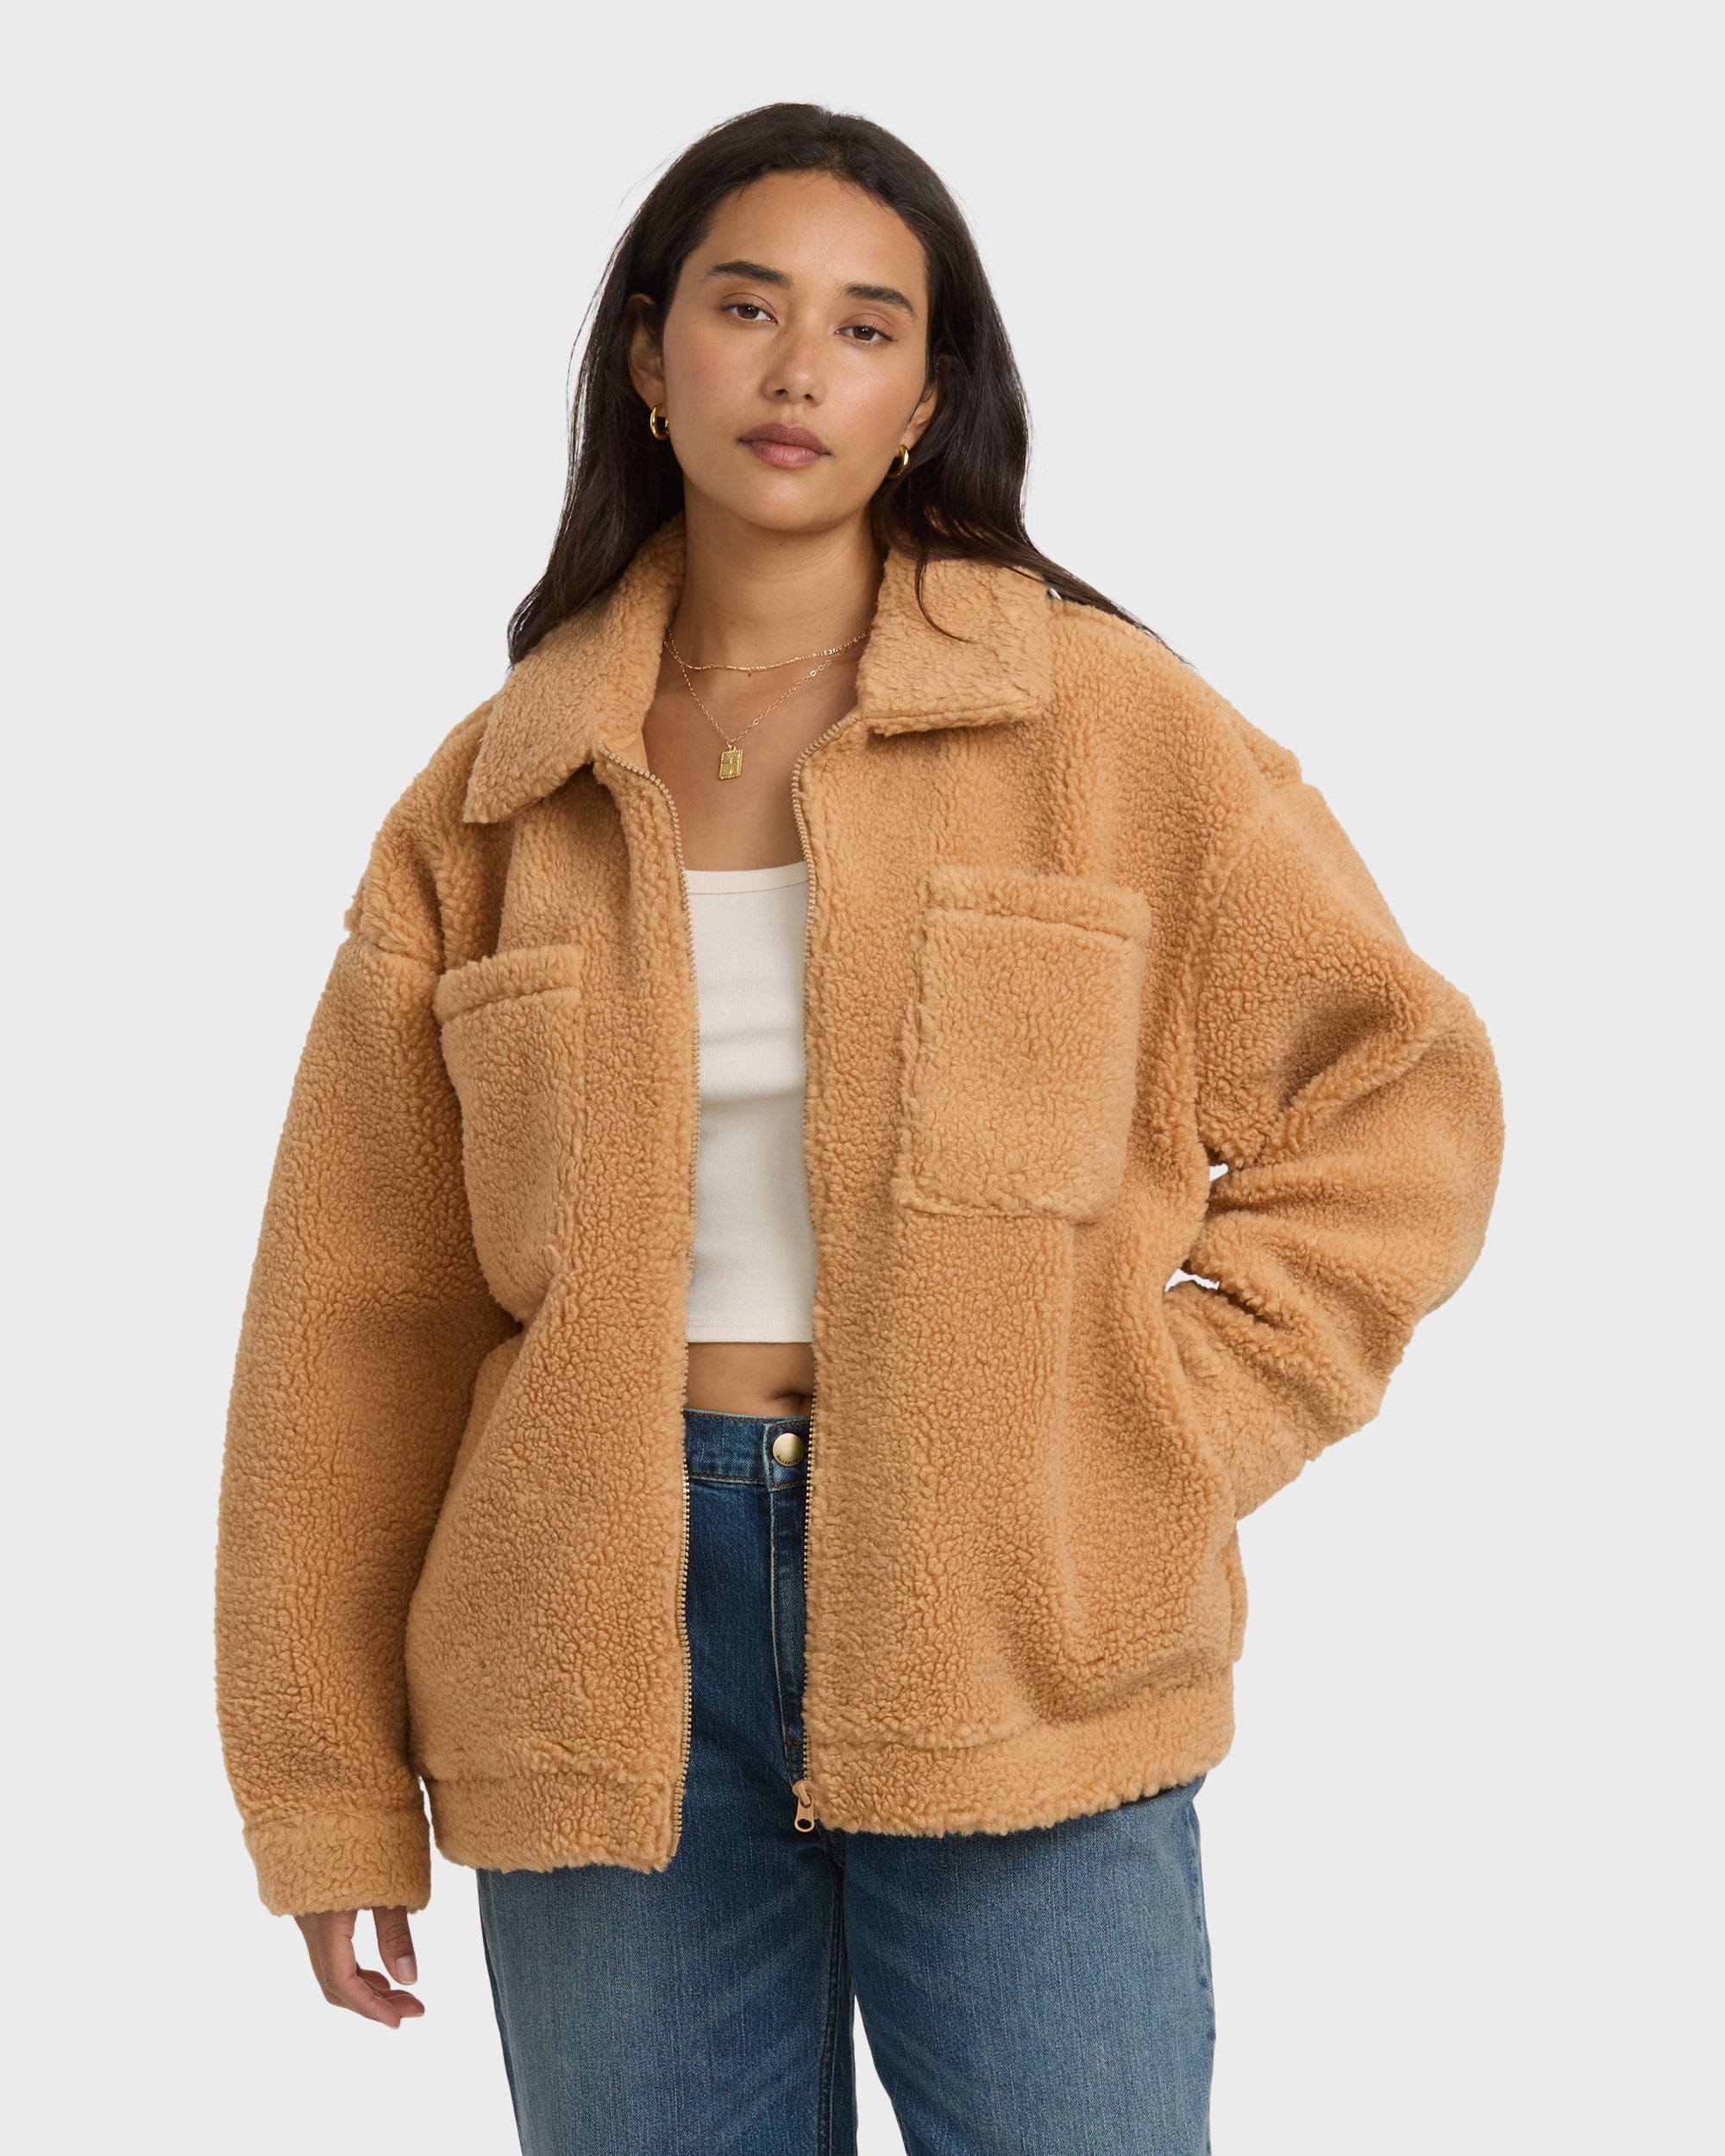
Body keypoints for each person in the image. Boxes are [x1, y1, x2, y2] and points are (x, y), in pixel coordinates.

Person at [215, 101, 1504, 2156]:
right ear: (651, 360)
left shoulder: (1108, 727)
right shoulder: (495, 798)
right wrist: (326, 1781)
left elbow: (1397, 1090)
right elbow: (350, 1319)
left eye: (866, 325)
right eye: (746, 307)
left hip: (1019, 1621)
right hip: (589, 1645)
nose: (799, 366)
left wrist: (1150, 1422)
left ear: (927, 398)